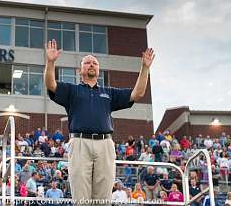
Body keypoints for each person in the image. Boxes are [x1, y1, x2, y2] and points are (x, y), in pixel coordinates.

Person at [45, 39, 154, 203]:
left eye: (94, 63)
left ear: (98, 69)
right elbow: (51, 84)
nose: (91, 65)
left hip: (105, 145)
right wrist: (50, 62)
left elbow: (137, 94)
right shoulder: (72, 90)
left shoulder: (109, 93)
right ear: (79, 70)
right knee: (81, 198)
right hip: (80, 143)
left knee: (103, 199)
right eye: (87, 62)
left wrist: (145, 68)